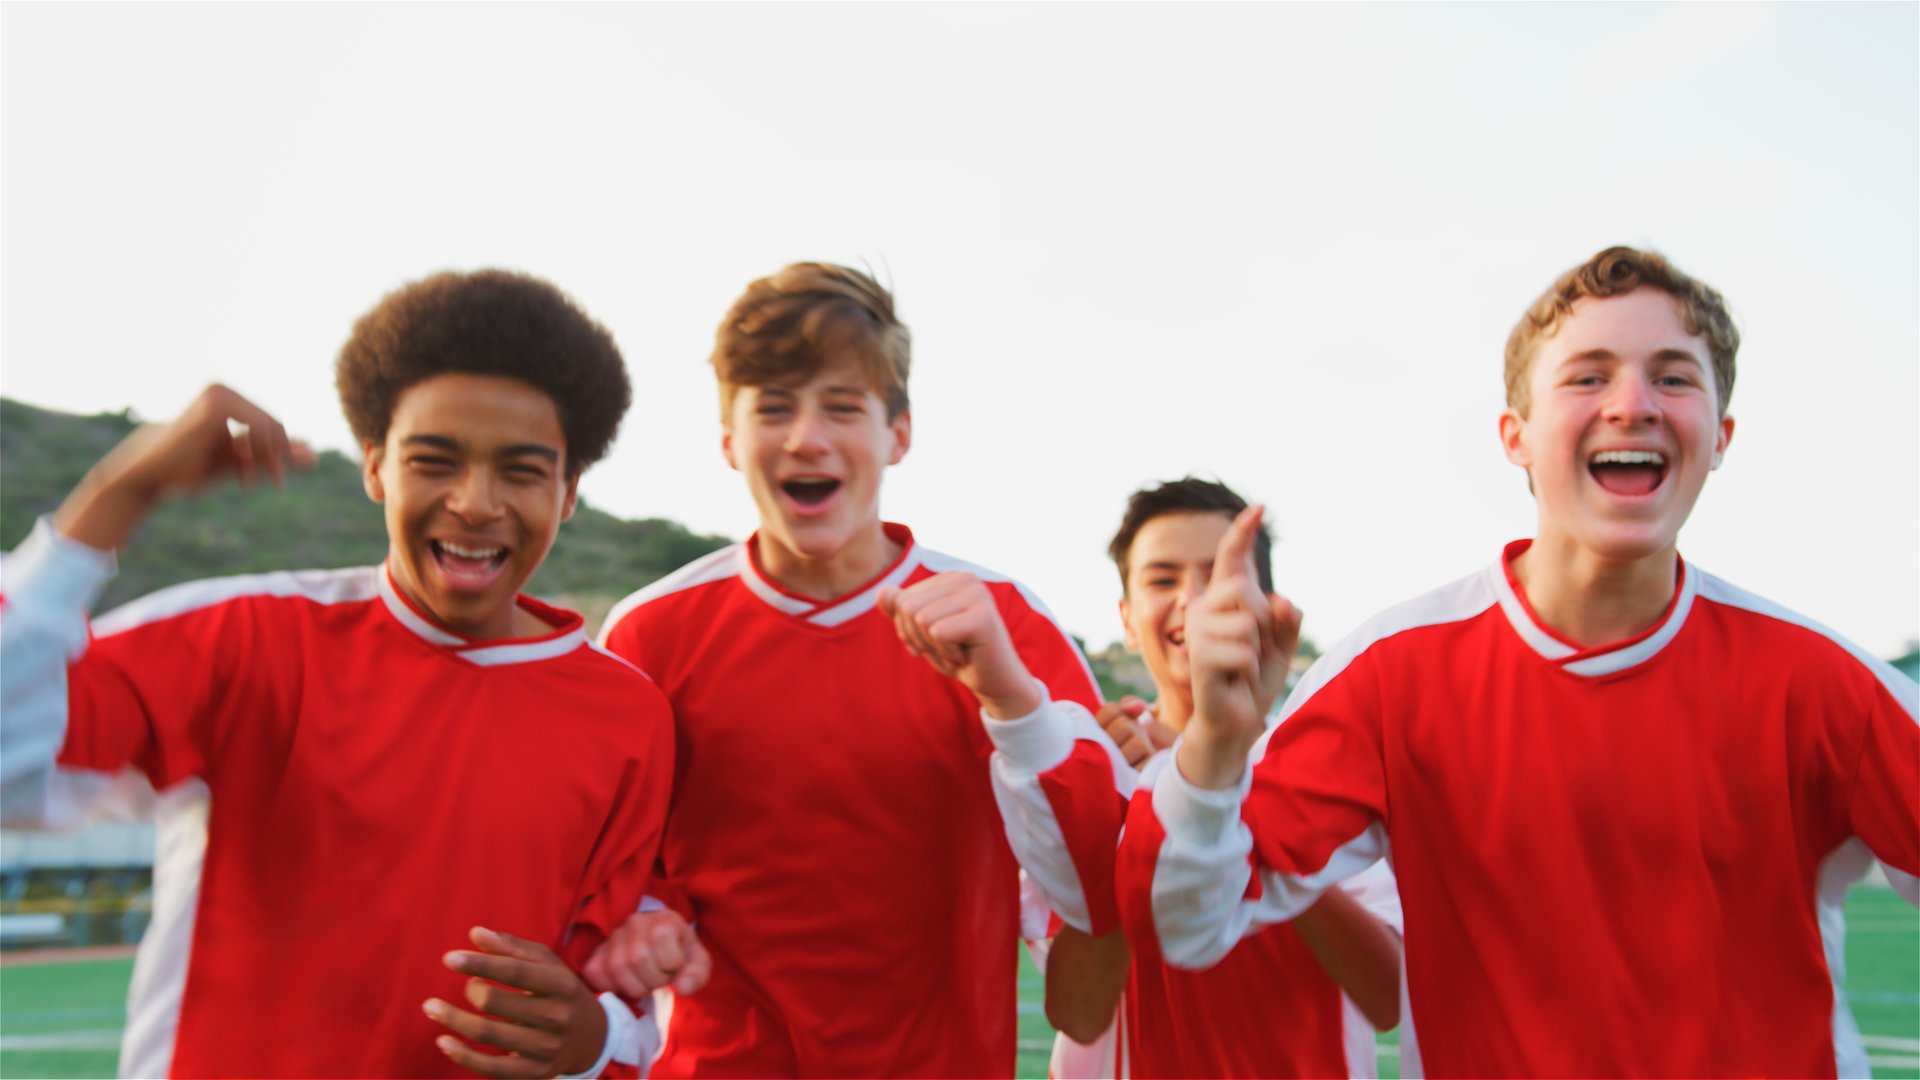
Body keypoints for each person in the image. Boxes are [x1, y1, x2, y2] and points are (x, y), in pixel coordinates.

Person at [1119, 246, 1920, 1076]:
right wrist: (1214, 746)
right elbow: (1185, 923)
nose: (1633, 404)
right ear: (1517, 436)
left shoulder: (1822, 684)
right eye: (1587, 376)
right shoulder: (1393, 676)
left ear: (1719, 436)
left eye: (1674, 377)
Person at [0, 270, 675, 1078]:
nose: (473, 500)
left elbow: (627, 982)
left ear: (570, 494)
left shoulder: (628, 715)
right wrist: (117, 494)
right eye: (434, 459)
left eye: (522, 472)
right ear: (375, 466)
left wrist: (593, 1041)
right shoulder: (242, 641)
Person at [588, 263, 1121, 1076]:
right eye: (773, 408)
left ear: (897, 434)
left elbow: (1097, 885)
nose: (807, 438)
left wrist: (1012, 702)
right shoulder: (648, 633)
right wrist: (649, 918)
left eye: (842, 407)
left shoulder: (1006, 621)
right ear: (729, 440)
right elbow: (616, 872)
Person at [1034, 478, 1406, 1078]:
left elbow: (1387, 994)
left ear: (1267, 606)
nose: (1192, 600)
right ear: (1127, 619)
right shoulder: (1094, 765)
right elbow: (1076, 1011)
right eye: (1162, 579)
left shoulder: (1328, 760)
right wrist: (1142, 808)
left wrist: (1223, 789)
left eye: (1217, 574)